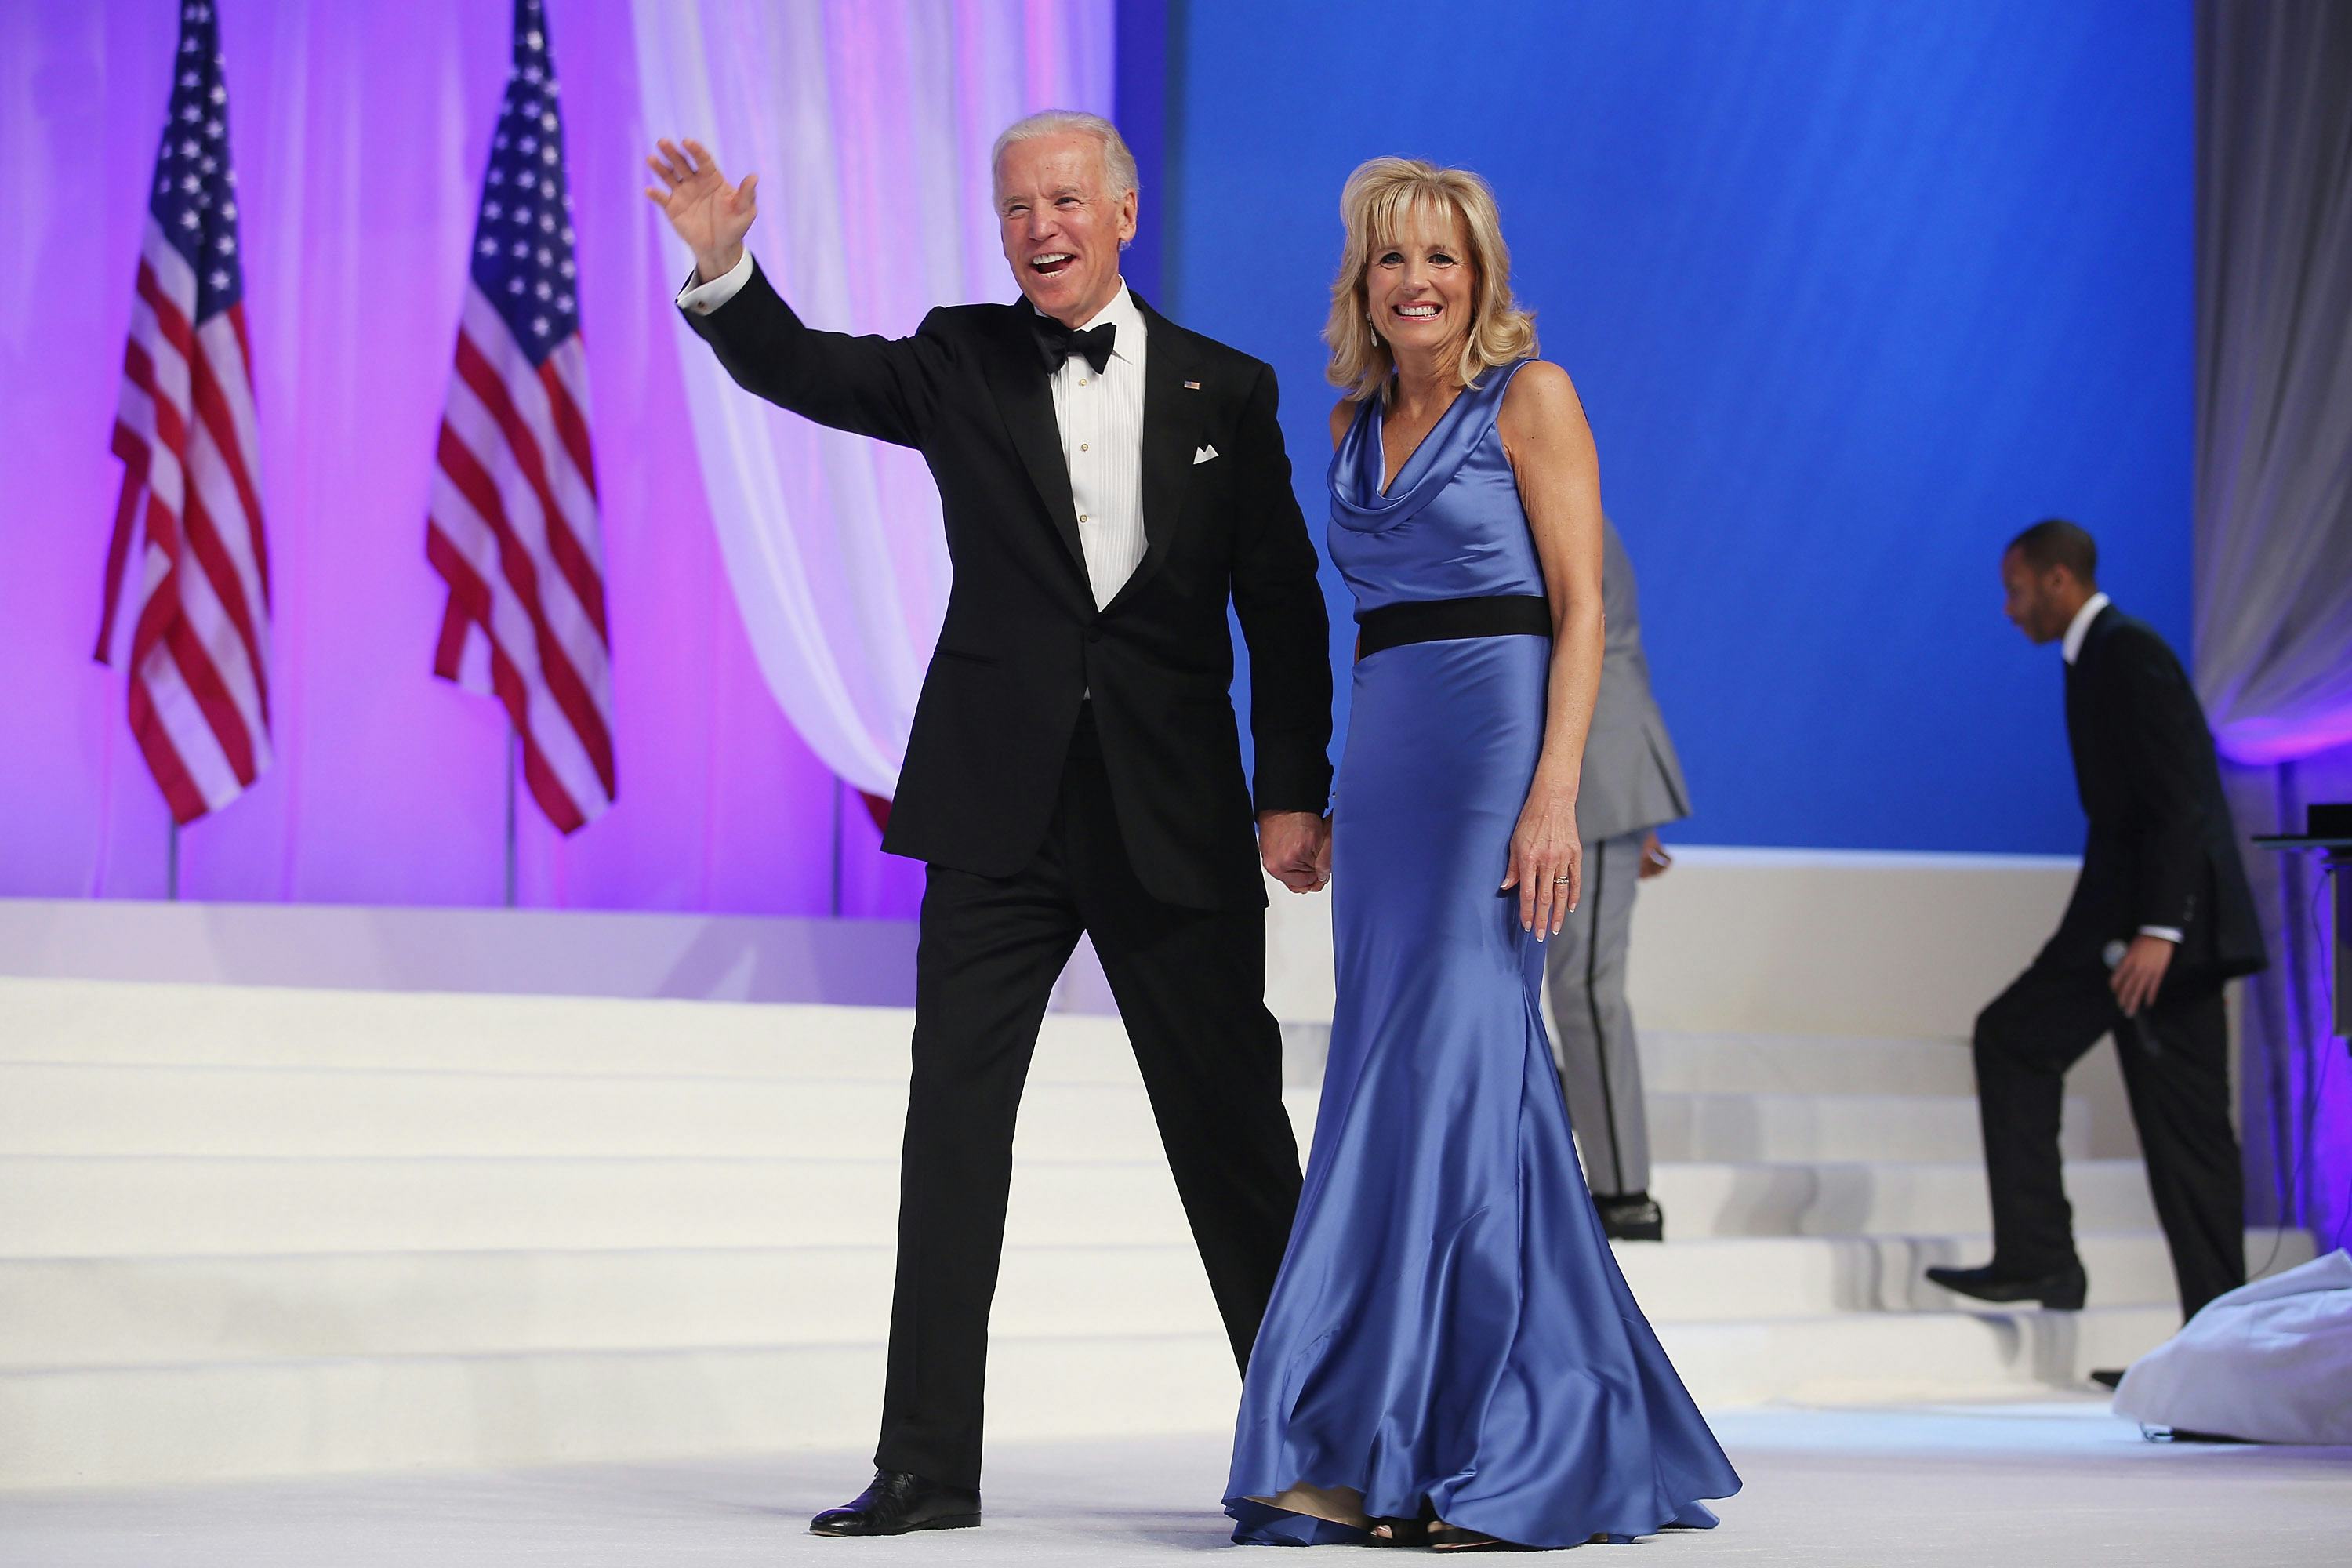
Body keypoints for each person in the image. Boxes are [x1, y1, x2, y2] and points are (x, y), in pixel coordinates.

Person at [644, 113, 1335, 1538]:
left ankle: (1307, 1454)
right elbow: (810, 372)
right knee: (954, 1131)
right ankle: (923, 1465)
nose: (1040, 225)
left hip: (1174, 811)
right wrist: (726, 274)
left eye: (1067, 198)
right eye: (1017, 204)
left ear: (1125, 214)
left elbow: (1283, 608)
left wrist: (1292, 788)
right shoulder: (959, 356)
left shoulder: (1232, 389)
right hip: (997, 814)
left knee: (1234, 1136)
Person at [1222, 158, 1740, 1552]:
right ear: (1362, 284)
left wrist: (1557, 793)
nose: (1418, 283)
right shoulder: (1343, 423)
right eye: (1392, 261)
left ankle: (1460, 1447)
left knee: (1444, 1077)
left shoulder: (1536, 399)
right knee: (1429, 1090)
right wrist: (1324, 794)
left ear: (1480, 277)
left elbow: (1579, 610)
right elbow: (1359, 635)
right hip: (1388, 784)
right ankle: (1436, 1445)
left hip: (1503, 760)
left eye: (1441, 260)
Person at [1927, 520, 2266, 1341]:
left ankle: (2211, 1348)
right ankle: (2048, 1258)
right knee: (2018, 1040)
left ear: (2057, 580)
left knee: (2183, 1137)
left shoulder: (2127, 651)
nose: (2009, 610)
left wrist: (2161, 927)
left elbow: (2181, 796)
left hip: (2159, 940)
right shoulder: (2100, 655)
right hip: (2122, 929)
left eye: (2015, 589)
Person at [1544, 515, 1691, 1241]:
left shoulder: (1564, 498)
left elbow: (1589, 636)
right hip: (1580, 773)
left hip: (1593, 776)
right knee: (1573, 990)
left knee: (1586, 990)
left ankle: (1626, 1191)